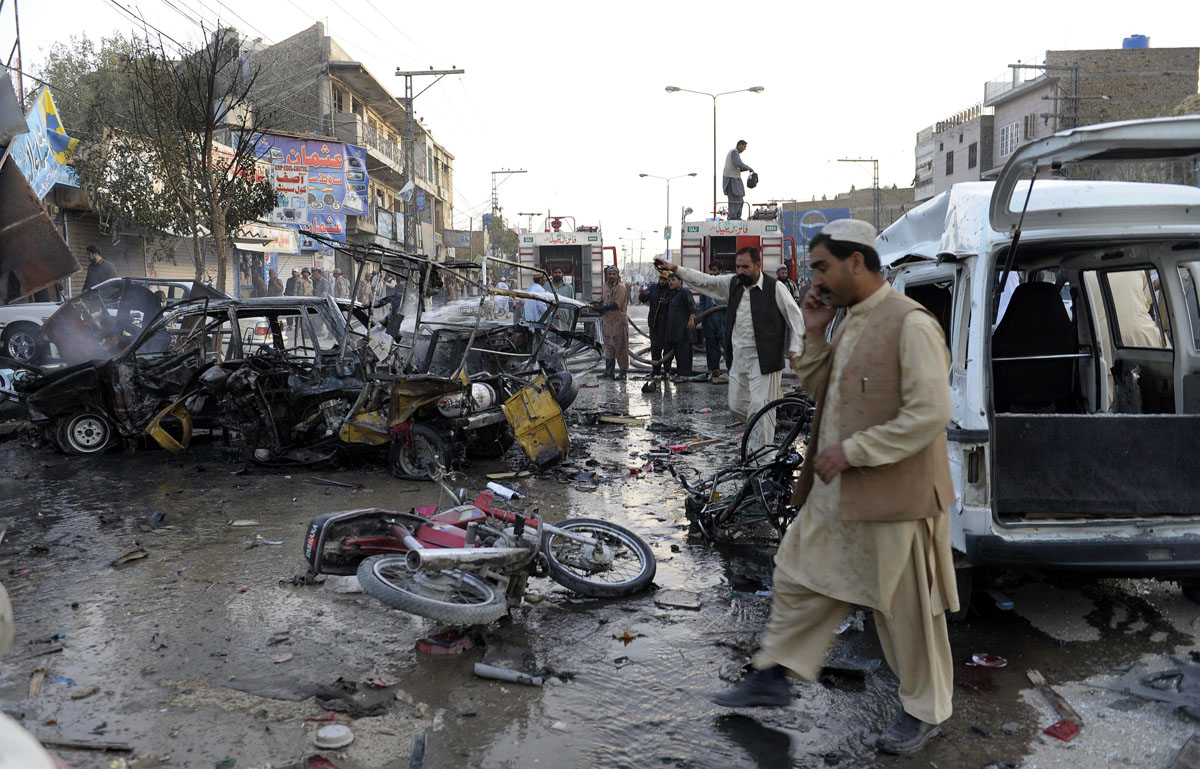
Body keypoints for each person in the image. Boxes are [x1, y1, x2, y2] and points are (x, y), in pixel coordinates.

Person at [710, 219, 957, 758]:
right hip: (838, 487)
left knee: (906, 611)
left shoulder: (909, 323)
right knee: (799, 572)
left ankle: (925, 711)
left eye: (822, 266)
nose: (815, 278)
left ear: (857, 262)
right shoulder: (847, 322)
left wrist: (855, 451)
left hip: (897, 495)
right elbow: (824, 391)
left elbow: (930, 413)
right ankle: (773, 673)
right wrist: (817, 333)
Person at [657, 245, 804, 456]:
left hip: (765, 359)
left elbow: (795, 318)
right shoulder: (733, 284)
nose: (741, 271)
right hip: (738, 357)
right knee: (737, 406)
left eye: (745, 267)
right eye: (737, 267)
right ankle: (764, 432)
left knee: (759, 409)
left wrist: (796, 348)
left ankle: (760, 459)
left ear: (758, 266)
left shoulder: (775, 288)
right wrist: (677, 269)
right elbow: (705, 281)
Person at [592, 265, 629, 380]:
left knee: (621, 348)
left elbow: (616, 304)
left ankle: (623, 372)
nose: (611, 276)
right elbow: (604, 300)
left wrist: (601, 307)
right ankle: (609, 372)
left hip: (618, 322)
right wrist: (595, 304)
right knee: (609, 347)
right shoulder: (605, 287)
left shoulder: (621, 287)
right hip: (608, 322)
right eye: (609, 274)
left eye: (614, 274)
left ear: (617, 276)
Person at [696, 262, 729, 383]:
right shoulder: (706, 285)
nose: (712, 273)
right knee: (711, 345)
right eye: (711, 271)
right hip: (709, 318)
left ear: (720, 271)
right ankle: (714, 371)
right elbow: (703, 303)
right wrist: (702, 314)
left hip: (724, 317)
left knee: (727, 344)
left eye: (714, 270)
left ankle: (732, 371)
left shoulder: (726, 284)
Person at [638, 272, 672, 381]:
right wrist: (642, 294)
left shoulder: (671, 290)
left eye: (665, 279)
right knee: (655, 348)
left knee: (667, 349)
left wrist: (667, 302)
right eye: (661, 279)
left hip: (667, 325)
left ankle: (666, 371)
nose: (662, 281)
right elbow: (644, 299)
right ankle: (656, 371)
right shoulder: (653, 288)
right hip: (654, 324)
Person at [664, 272, 697, 381]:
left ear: (680, 281)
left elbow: (692, 306)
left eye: (673, 279)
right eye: (669, 280)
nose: (670, 282)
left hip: (682, 329)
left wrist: (691, 320)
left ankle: (684, 375)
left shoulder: (684, 292)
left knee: (684, 353)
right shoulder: (673, 293)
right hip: (674, 330)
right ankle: (680, 374)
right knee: (677, 353)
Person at [723, 140, 754, 221]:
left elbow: (737, 167)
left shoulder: (735, 153)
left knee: (739, 197)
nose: (744, 149)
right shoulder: (734, 152)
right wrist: (748, 167)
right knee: (735, 197)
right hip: (731, 178)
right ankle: (733, 217)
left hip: (734, 177)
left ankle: (737, 216)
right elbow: (738, 164)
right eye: (744, 146)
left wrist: (745, 169)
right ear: (740, 145)